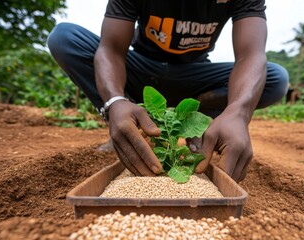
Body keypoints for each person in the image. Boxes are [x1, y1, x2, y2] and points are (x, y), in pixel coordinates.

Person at [47, 0, 289, 182]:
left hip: (194, 75)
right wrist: (114, 100)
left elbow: (251, 54)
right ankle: (129, 122)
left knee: (275, 79)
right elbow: (110, 49)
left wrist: (239, 111)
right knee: (65, 38)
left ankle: (198, 118)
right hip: (141, 70)